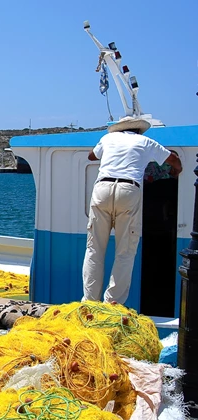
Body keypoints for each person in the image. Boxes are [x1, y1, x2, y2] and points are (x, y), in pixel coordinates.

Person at [82, 116, 182, 304]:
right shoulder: (145, 141)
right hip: (128, 190)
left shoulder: (108, 139)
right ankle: (113, 302)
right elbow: (173, 159)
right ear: (139, 130)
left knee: (94, 249)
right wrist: (177, 170)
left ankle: (89, 301)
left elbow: (91, 156)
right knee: (125, 251)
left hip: (102, 189)